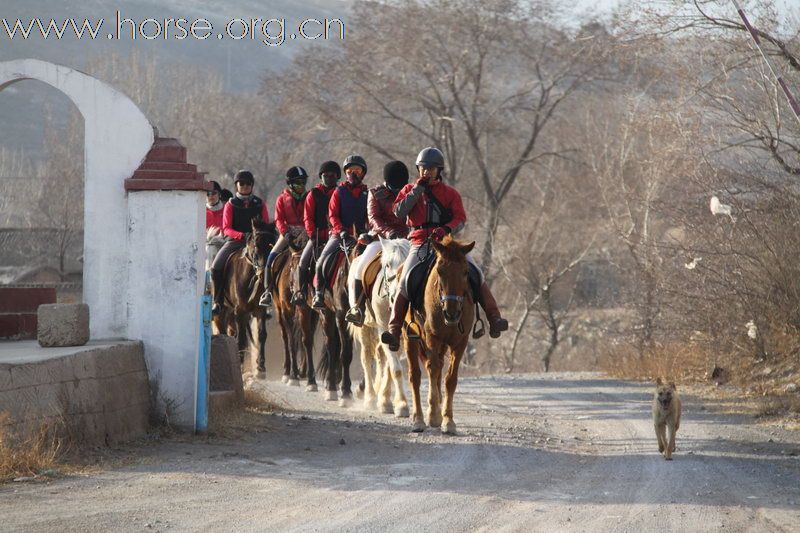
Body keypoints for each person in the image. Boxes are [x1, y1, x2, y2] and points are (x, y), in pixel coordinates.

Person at [380, 147, 508, 351]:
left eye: (431, 169)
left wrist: (446, 228)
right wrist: (417, 190)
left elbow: (460, 218)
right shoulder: (409, 190)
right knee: (405, 280)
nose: (426, 172)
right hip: (419, 241)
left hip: (447, 243)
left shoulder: (450, 193)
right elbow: (399, 212)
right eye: (423, 168)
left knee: (476, 272)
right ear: (418, 169)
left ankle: (494, 318)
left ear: (439, 170)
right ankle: (394, 329)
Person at [345, 160, 410, 326]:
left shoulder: (410, 192)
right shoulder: (375, 193)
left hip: (406, 239)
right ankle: (357, 309)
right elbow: (374, 218)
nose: (398, 191)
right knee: (360, 267)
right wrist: (389, 232)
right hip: (381, 239)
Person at [311, 154, 369, 309]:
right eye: (350, 170)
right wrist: (341, 230)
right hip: (340, 234)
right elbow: (332, 215)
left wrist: (368, 232)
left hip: (361, 236)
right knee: (323, 260)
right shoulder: (339, 191)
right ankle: (319, 294)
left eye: (356, 170)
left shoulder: (367, 193)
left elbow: (369, 216)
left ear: (362, 173)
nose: (353, 173)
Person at [210, 170, 271, 315]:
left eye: (248, 184)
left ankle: (268, 298)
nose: (244, 186)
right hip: (235, 242)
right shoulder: (231, 204)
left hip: (257, 244)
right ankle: (218, 301)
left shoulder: (259, 204)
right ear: (236, 185)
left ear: (252, 185)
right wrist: (242, 235)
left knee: (270, 264)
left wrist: (257, 238)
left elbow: (266, 224)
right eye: (241, 183)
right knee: (215, 267)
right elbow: (226, 228)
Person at [292, 161, 341, 305]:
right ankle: (301, 292)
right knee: (303, 261)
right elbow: (308, 217)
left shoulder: (340, 192)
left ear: (337, 177)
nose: (329, 178)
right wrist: (312, 234)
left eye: (332, 175)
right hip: (317, 235)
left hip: (335, 235)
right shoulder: (313, 194)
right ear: (321, 176)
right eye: (326, 175)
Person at [260, 166, 308, 307]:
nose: (301, 185)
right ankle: (267, 292)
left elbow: (310, 215)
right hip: (287, 233)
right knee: (270, 258)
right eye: (298, 182)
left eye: (303, 182)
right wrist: (285, 232)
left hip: (305, 233)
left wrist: (307, 230)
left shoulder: (309, 197)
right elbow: (279, 219)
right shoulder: (282, 198)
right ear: (291, 183)